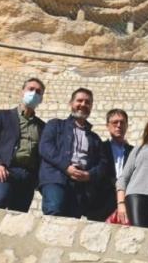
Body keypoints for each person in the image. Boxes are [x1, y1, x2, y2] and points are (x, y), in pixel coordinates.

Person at [38, 87, 106, 218]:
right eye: (79, 101)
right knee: (54, 213)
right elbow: (45, 148)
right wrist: (66, 167)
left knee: (72, 223)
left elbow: (102, 163)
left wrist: (89, 175)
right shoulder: (55, 125)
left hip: (80, 186)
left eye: (87, 102)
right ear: (71, 103)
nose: (83, 105)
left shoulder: (95, 138)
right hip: (56, 179)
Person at [0, 78, 47, 212]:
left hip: (27, 176)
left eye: (38, 92)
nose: (34, 93)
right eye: (31, 89)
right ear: (22, 92)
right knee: (0, 199)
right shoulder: (2, 116)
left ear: (41, 99)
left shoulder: (42, 126)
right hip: (5, 170)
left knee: (19, 215)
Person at [88, 109, 134, 222]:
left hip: (127, 203)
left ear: (127, 126)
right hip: (101, 202)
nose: (119, 125)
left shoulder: (134, 152)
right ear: (108, 126)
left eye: (122, 122)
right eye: (115, 122)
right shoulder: (99, 148)